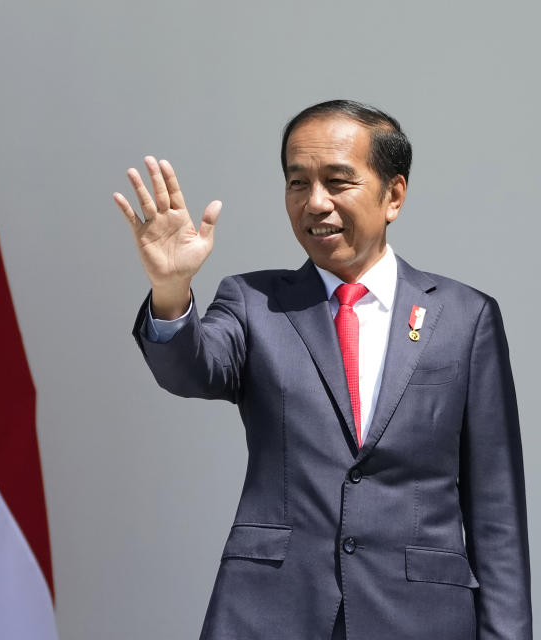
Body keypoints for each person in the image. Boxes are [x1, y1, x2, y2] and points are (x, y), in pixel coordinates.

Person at [114, 100, 531, 639]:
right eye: (297, 183)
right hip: (271, 613)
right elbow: (190, 370)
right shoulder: (253, 302)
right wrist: (170, 289)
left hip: (420, 615)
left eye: (338, 182)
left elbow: (496, 508)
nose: (315, 203)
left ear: (394, 195)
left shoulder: (464, 316)